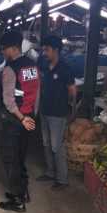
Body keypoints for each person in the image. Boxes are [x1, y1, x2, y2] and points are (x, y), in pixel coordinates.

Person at [0, 31, 40, 213]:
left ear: (13, 48)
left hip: (16, 120)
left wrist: (22, 118)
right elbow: (37, 93)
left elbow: (8, 101)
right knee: (21, 156)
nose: (3, 52)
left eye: (4, 49)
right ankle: (24, 192)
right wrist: (31, 116)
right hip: (29, 117)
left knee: (10, 158)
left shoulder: (10, 69)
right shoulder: (32, 65)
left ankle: (17, 200)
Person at [37, 35, 76, 190]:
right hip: (44, 110)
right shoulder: (44, 65)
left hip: (58, 114)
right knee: (46, 144)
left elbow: (72, 91)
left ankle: (62, 179)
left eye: (47, 50)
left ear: (56, 50)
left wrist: (70, 109)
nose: (44, 53)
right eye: (43, 50)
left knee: (56, 146)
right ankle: (50, 172)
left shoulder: (65, 68)